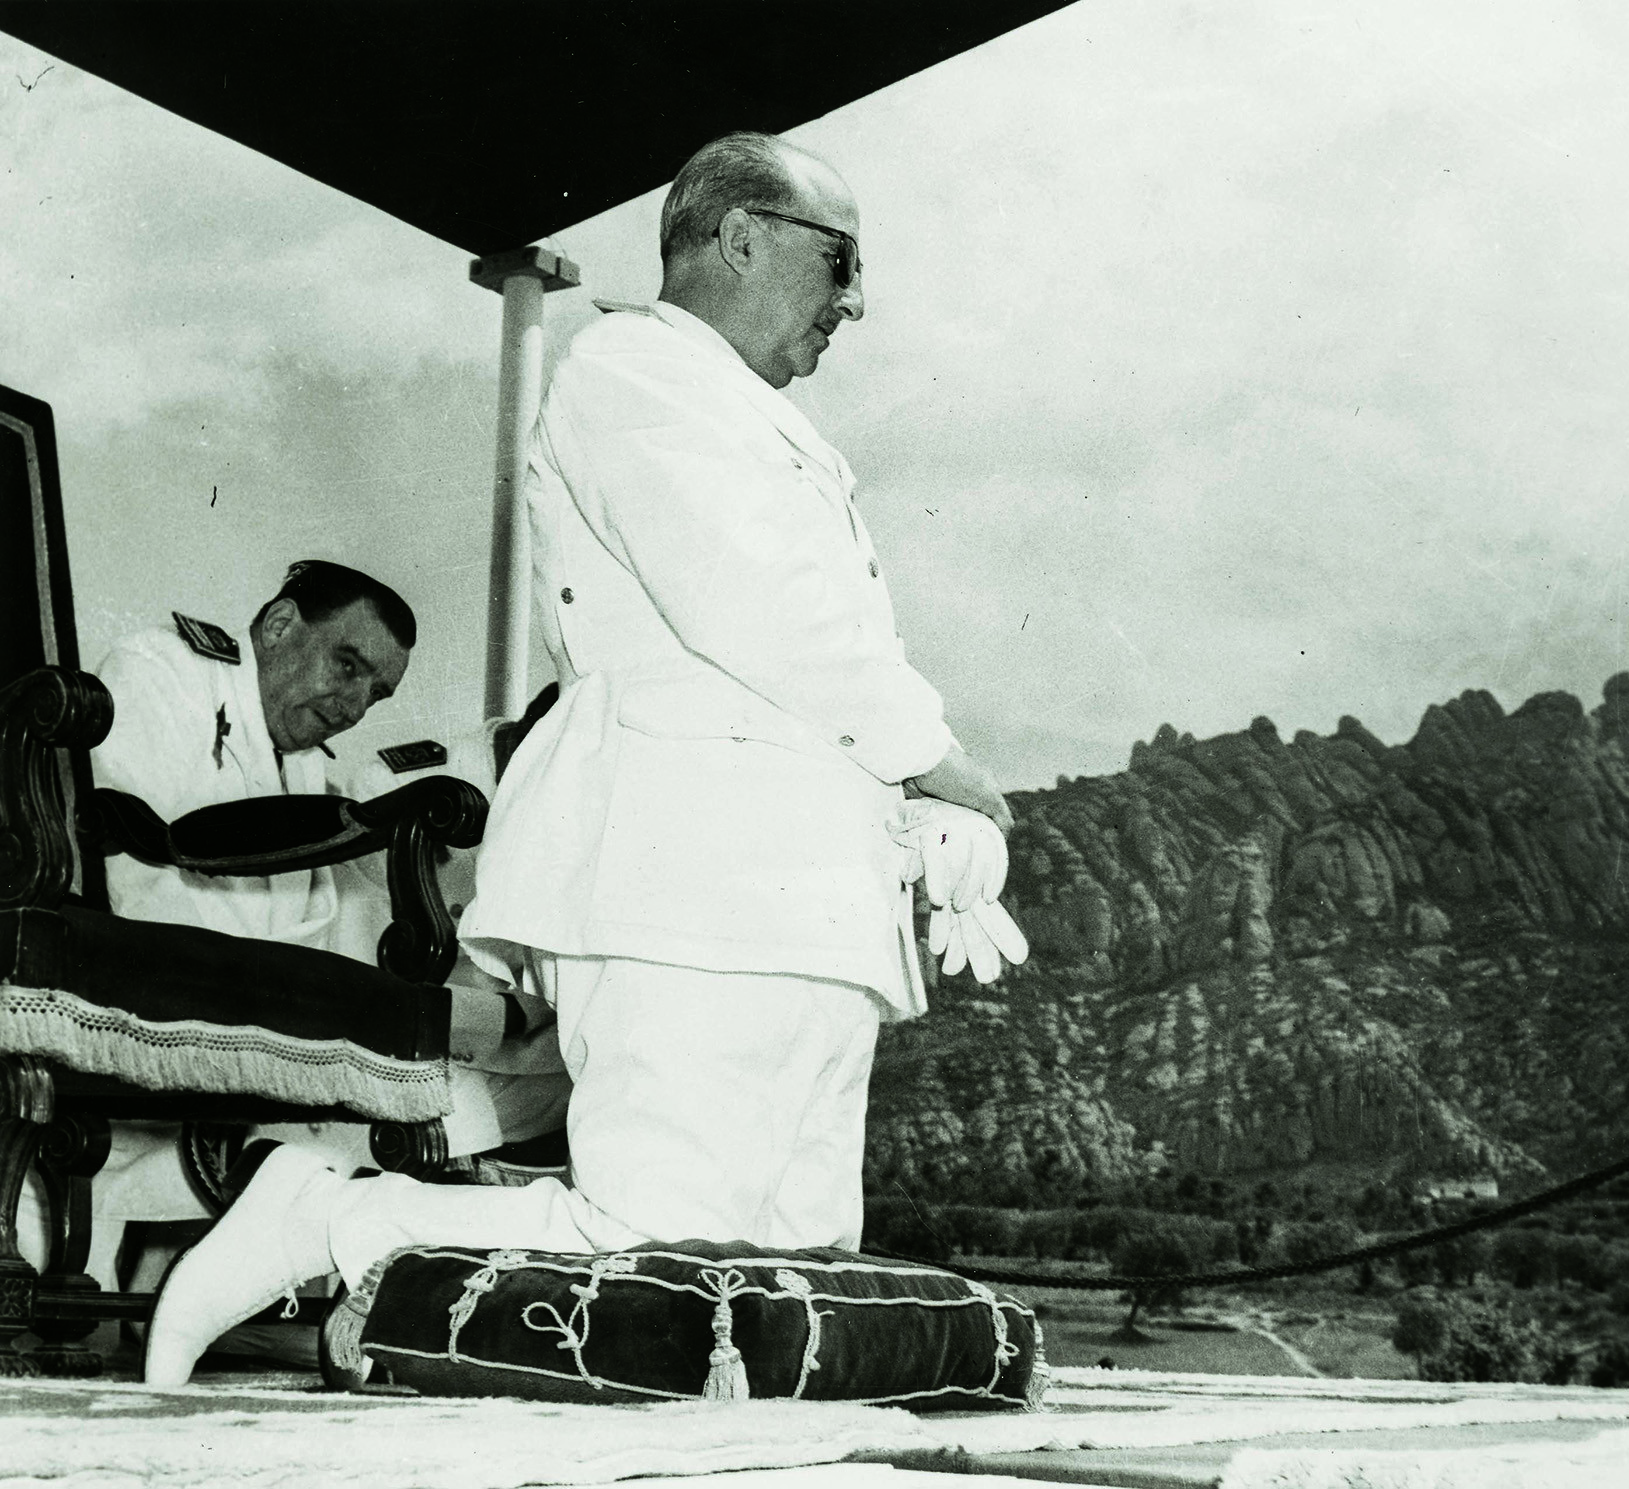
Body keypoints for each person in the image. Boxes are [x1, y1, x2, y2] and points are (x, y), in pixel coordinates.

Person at [145, 132, 1023, 1386]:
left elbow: (816, 665)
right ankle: (328, 1220)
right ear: (739, 237)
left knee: (790, 1263)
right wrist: (936, 759)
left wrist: (909, 812)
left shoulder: (759, 422)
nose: (856, 302)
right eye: (841, 261)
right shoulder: (632, 372)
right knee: (652, 1234)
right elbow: (757, 608)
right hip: (690, 879)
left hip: (812, 900)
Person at [76, 563, 568, 1300]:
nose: (355, 704)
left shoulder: (304, 758)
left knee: (542, 1058)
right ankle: (275, 1177)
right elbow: (132, 874)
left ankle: (278, 1181)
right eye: (347, 665)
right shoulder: (163, 671)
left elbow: (311, 918)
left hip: (268, 1000)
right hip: (163, 983)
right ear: (279, 627)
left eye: (376, 692)